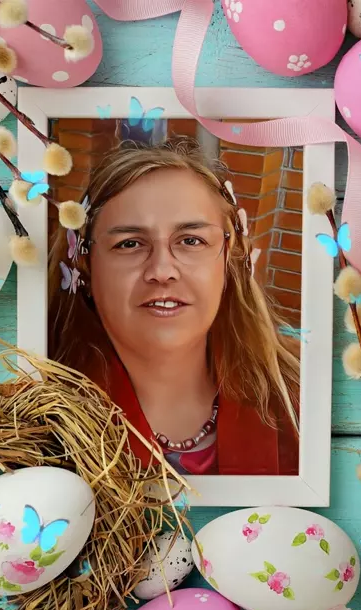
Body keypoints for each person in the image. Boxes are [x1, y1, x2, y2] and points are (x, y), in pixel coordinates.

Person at [48, 137, 300, 476]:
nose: (162, 270)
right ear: (86, 267)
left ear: (229, 260)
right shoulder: (41, 419)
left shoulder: (301, 401)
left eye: (191, 240)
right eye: (129, 243)